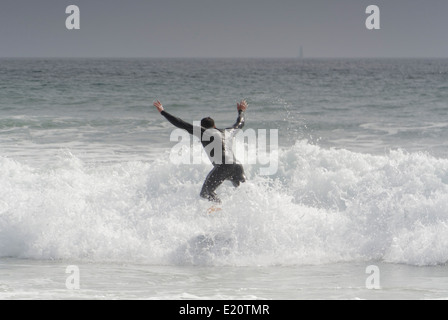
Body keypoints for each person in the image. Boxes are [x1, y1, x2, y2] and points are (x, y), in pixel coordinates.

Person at [153, 99, 248, 203]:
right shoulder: (229, 132)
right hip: (237, 165)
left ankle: (219, 207)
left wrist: (162, 111)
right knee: (243, 188)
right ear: (214, 126)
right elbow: (240, 123)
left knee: (205, 193)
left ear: (202, 127)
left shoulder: (204, 132)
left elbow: (181, 123)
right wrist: (241, 111)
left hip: (223, 166)